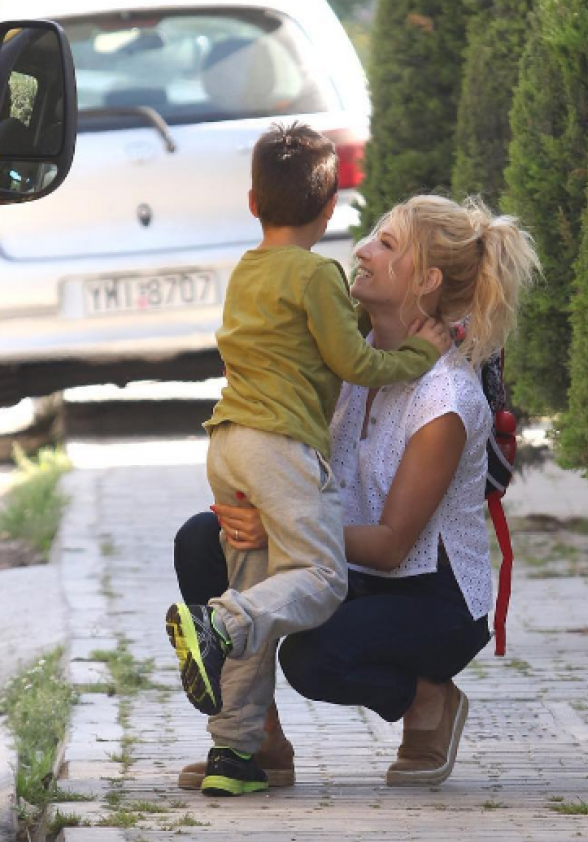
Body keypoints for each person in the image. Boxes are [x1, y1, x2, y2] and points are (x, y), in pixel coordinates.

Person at [173, 193, 540, 791]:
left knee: (316, 659)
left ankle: (429, 700)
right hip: (342, 564)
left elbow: (394, 546)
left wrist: (279, 527)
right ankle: (252, 741)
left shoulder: (446, 399)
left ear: (427, 280)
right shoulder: (346, 358)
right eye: (371, 237)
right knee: (203, 541)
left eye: (386, 245)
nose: (362, 251)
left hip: (430, 596)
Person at [164, 123, 449, 797]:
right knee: (318, 579)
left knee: (256, 584)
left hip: (227, 441)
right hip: (279, 444)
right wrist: (422, 352)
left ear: (252, 203)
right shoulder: (318, 273)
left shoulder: (247, 268)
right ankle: (218, 625)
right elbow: (355, 363)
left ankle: (235, 753)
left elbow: (300, 338)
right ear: (329, 207)